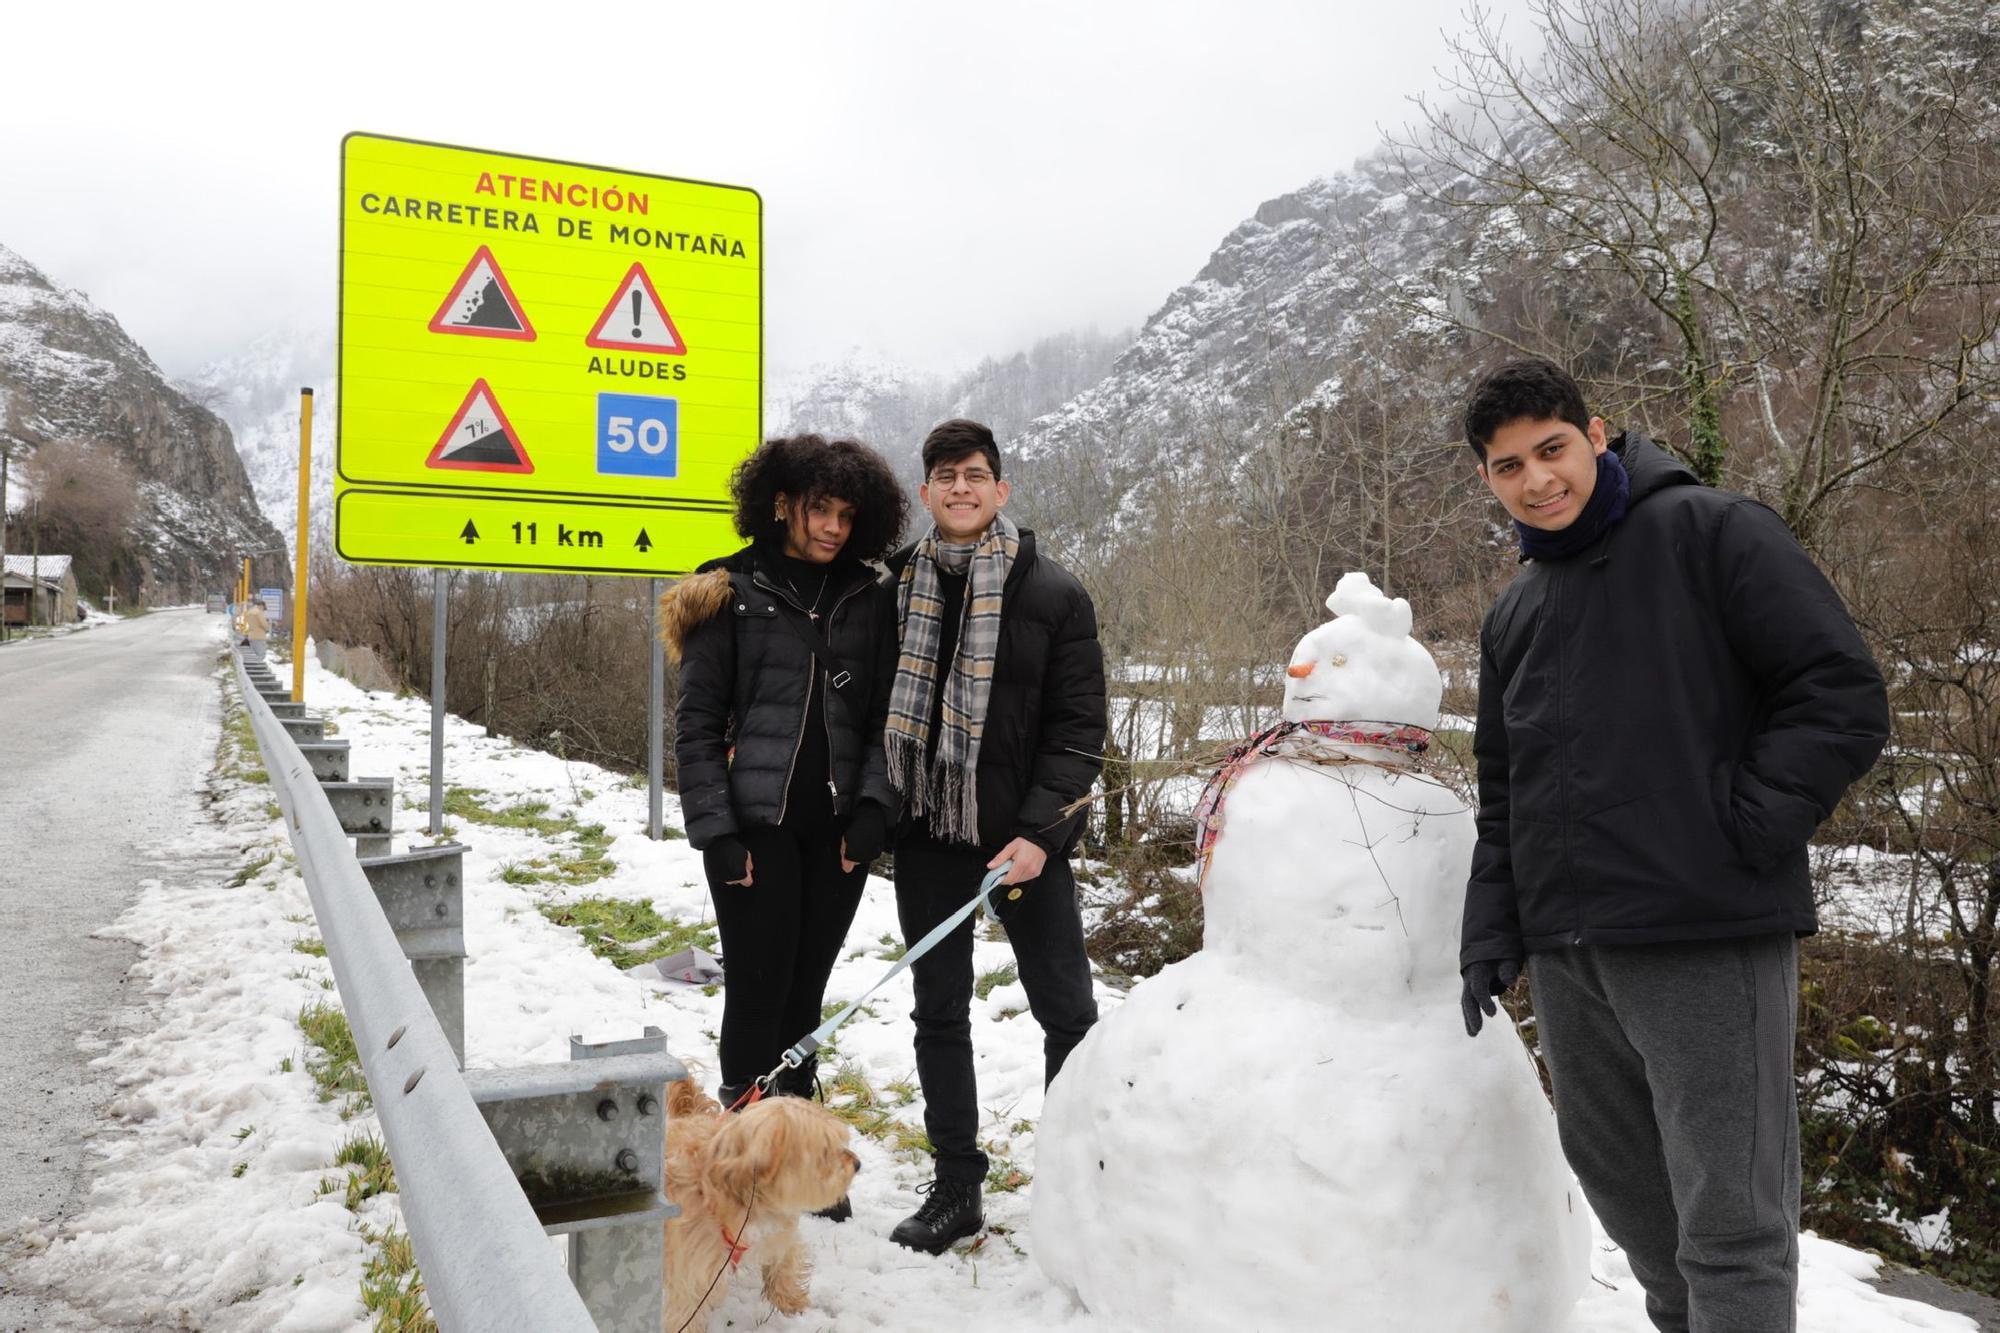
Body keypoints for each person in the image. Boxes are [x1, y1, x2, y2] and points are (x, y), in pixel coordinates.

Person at [1456, 359, 1889, 1333]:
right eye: (1507, 464)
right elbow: (1502, 788)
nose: (1535, 479)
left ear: (1595, 435)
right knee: (1635, 1212)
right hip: (1573, 951)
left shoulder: (1711, 533)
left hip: (1704, 928)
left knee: (1730, 1226)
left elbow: (1838, 692)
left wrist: (1740, 829)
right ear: (1487, 480)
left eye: (1551, 449)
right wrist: (1492, 928)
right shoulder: (1514, 611)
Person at [883, 418, 1107, 1254]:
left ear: (1001, 488)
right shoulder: (897, 585)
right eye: (945, 474)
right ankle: (956, 1186)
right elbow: (875, 711)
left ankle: (1074, 1179)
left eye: (976, 474)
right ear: (927, 492)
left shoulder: (1054, 592)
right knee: (937, 1012)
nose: (961, 487)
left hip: (1026, 843)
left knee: (1068, 1012)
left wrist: (1041, 833)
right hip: (930, 837)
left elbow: (1080, 728)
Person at [661, 434, 908, 1165]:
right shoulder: (728, 591)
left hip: (836, 836)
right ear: (782, 503)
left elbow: (884, 720)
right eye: (818, 509)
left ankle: (798, 1157)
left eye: (845, 514)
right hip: (753, 830)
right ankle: (742, 1157)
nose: (832, 526)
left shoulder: (870, 598)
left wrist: (873, 812)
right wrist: (716, 832)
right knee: (759, 993)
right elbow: (697, 727)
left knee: (806, 1001)